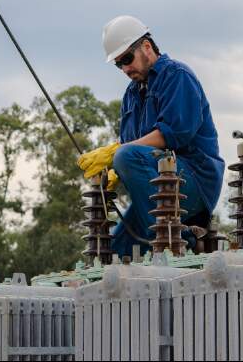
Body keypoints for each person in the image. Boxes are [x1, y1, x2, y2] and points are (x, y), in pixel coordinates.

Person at [77, 15, 225, 256]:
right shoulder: (131, 96)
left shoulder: (177, 76)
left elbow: (173, 134)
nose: (125, 68)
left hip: (194, 182)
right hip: (156, 189)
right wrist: (113, 170)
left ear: (146, 46)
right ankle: (162, 242)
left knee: (125, 155)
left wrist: (118, 154)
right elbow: (131, 144)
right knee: (113, 253)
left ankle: (182, 241)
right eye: (118, 64)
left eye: (127, 58)